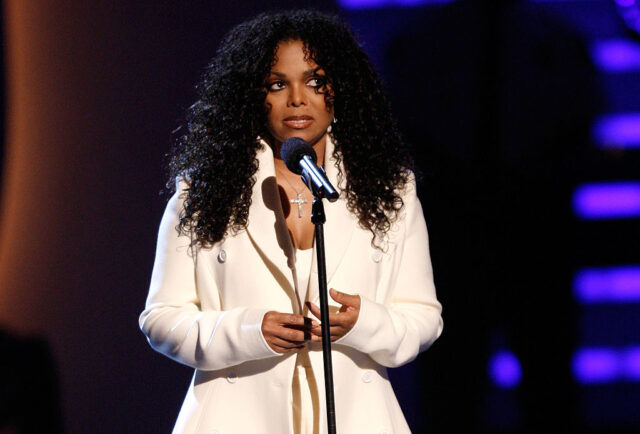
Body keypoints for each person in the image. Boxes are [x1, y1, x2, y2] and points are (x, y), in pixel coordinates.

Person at [139, 10, 443, 434]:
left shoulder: (391, 190)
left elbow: (424, 318)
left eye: (316, 81)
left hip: (357, 418)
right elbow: (160, 318)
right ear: (252, 95)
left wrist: (364, 323)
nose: (297, 99)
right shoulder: (203, 193)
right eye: (277, 84)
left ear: (340, 89)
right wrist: (246, 330)